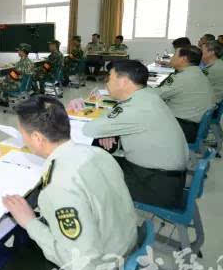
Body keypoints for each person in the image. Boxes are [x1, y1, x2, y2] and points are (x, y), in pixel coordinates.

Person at [0, 96, 138, 270]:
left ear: (37, 138)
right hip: (117, 257)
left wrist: (29, 222)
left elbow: (80, 264)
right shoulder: (98, 155)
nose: (23, 140)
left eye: (23, 135)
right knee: (29, 233)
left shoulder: (59, 186)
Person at [79, 60, 188, 208]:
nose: (106, 83)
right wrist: (109, 129)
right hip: (164, 176)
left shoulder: (137, 108)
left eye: (109, 78)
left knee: (84, 173)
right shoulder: (147, 95)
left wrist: (106, 128)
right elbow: (116, 117)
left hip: (156, 186)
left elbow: (89, 129)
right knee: (99, 159)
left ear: (123, 82)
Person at [153, 46, 214, 143]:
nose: (172, 58)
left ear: (183, 59)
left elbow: (157, 95)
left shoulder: (182, 78)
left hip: (183, 128)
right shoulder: (197, 73)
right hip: (194, 124)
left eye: (174, 55)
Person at [0, 43, 35, 111]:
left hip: (18, 86)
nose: (18, 52)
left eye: (19, 50)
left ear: (23, 51)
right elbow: (18, 72)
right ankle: (4, 101)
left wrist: (5, 79)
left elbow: (15, 77)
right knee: (4, 81)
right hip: (24, 86)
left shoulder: (23, 63)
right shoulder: (28, 62)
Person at [201, 39, 223, 104]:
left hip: (208, 104)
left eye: (202, 50)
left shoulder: (214, 69)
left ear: (211, 53)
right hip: (213, 99)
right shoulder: (218, 63)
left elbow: (197, 87)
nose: (200, 52)